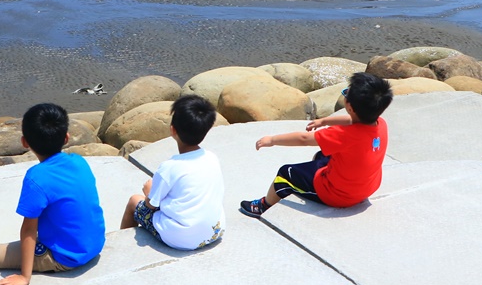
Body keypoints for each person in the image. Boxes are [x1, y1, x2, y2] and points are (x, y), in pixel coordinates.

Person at [0, 103, 106, 285]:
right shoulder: (79, 161)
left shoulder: (36, 177)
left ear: (25, 143)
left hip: (65, 257)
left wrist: (24, 276)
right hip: (94, 245)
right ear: (66, 138)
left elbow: (28, 230)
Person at [240, 72, 393, 216]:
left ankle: (263, 206)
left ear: (350, 107)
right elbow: (351, 120)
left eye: (346, 93)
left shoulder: (343, 135)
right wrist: (324, 121)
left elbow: (303, 139)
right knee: (322, 155)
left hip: (339, 196)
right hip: (369, 186)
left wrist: (272, 140)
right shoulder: (380, 124)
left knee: (285, 174)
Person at [121, 95, 225, 250]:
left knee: (134, 201)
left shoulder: (169, 167)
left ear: (172, 130)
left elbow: (151, 204)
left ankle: (122, 247)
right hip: (215, 231)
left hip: (181, 239)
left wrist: (149, 192)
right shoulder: (212, 158)